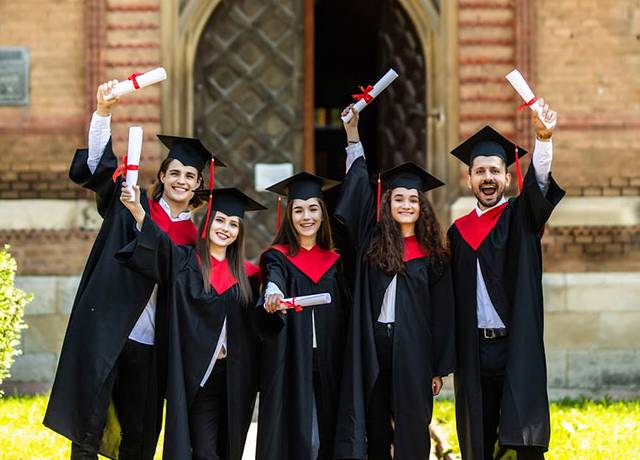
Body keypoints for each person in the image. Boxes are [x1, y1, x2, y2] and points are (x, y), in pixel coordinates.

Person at [44, 80, 222, 460]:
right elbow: (99, 168)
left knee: (140, 433)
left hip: (152, 343)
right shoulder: (130, 202)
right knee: (88, 425)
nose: (181, 181)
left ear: (198, 188)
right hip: (108, 329)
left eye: (190, 177)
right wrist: (103, 113)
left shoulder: (197, 239)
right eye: (175, 173)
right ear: (161, 177)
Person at [333, 106, 456, 460]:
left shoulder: (433, 254)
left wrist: (437, 367)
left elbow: (442, 314)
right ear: (387, 203)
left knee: (412, 427)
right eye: (398, 198)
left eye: (412, 200)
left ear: (422, 207)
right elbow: (356, 195)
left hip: (415, 350)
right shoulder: (371, 242)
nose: (405, 205)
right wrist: (353, 136)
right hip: (374, 344)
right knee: (374, 425)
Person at [448, 101, 563, 460]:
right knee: (479, 440)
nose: (487, 178)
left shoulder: (520, 218)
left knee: (521, 439)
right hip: (475, 350)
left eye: (495, 171)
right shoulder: (457, 233)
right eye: (480, 171)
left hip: (515, 347)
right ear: (468, 178)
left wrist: (543, 137)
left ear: (507, 178)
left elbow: (539, 185)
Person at [117, 184, 264, 460]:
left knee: (227, 447)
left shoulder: (249, 276)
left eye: (234, 224)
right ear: (207, 224)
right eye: (220, 220)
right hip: (199, 378)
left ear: (240, 233)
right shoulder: (186, 263)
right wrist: (138, 210)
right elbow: (159, 245)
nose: (226, 228)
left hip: (234, 379)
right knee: (205, 451)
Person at [255, 172, 351, 460]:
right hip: (294, 360)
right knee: (307, 440)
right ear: (289, 215)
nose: (306, 216)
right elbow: (274, 278)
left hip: (332, 360)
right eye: (298, 210)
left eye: (313, 208)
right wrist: (272, 292)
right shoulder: (278, 257)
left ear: (322, 214)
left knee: (333, 434)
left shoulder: (335, 261)